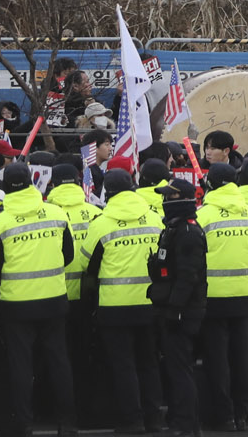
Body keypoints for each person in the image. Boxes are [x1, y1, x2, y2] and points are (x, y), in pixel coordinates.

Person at [0, 162, 76, 437]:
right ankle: (67, 424)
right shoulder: (57, 213)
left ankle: (23, 424)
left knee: (20, 364)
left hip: (16, 304)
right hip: (54, 299)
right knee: (59, 361)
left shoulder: (0, 221)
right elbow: (68, 255)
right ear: (31, 181)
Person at [83, 169, 166, 433]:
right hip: (151, 304)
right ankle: (154, 418)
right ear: (132, 186)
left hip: (114, 307)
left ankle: (132, 421)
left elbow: (87, 265)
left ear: (107, 191)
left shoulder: (101, 223)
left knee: (123, 365)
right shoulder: (156, 219)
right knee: (149, 362)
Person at [196, 162, 248, 434]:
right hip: (245, 293)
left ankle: (223, 416)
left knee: (217, 357)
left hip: (213, 295)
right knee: (243, 354)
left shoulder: (204, 215)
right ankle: (242, 414)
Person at [150, 183, 208, 437]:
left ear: (184, 199)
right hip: (172, 307)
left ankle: (186, 424)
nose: (165, 200)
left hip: (183, 311)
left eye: (170, 195)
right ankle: (179, 418)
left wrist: (175, 309)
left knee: (181, 367)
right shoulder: (174, 228)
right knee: (175, 366)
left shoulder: (187, 232)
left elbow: (188, 276)